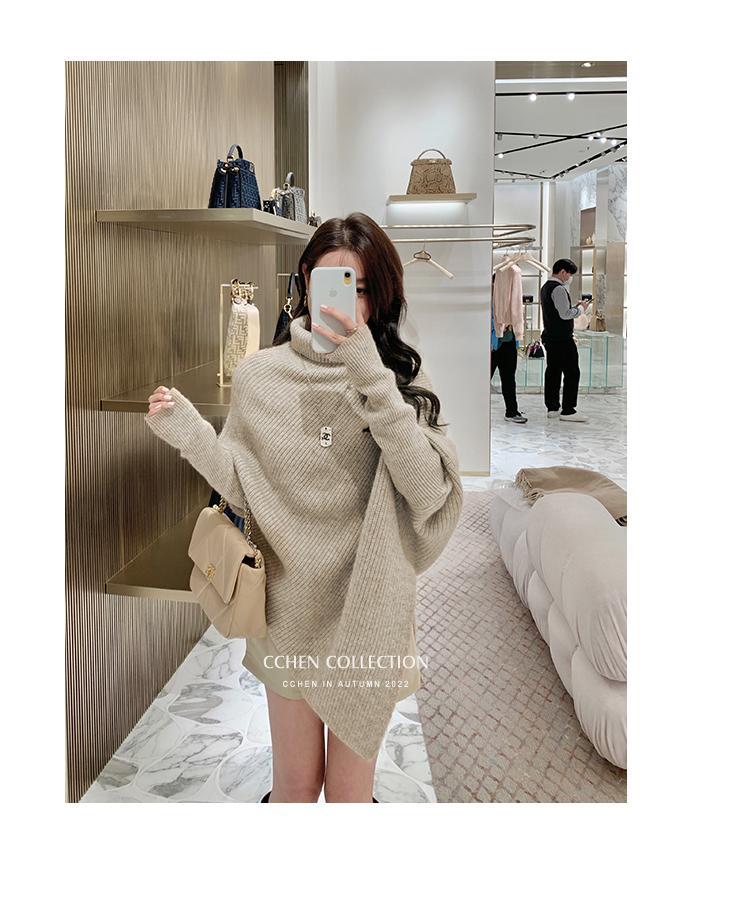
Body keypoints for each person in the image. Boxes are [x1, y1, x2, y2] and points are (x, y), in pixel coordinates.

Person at [144, 212, 463, 803]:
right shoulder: (260, 376)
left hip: (367, 615)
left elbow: (428, 497)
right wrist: (189, 432)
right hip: (286, 610)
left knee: (348, 793)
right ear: (304, 282)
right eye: (331, 283)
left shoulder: (397, 381)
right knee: (294, 785)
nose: (346, 303)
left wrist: (369, 374)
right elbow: (242, 488)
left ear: (380, 297)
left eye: (360, 288)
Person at [540, 258, 588, 422]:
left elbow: (557, 311)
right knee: (572, 372)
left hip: (550, 336)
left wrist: (574, 308)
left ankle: (552, 407)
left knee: (553, 372)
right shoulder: (559, 289)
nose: (569, 277)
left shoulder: (545, 287)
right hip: (562, 339)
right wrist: (581, 309)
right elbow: (565, 314)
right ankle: (568, 410)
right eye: (569, 274)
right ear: (562, 272)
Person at [490, 301, 527, 423]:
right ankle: (472, 410)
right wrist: (501, 325)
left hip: (509, 344)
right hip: (493, 346)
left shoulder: (512, 301)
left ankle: (512, 411)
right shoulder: (491, 300)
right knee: (483, 380)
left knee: (509, 379)